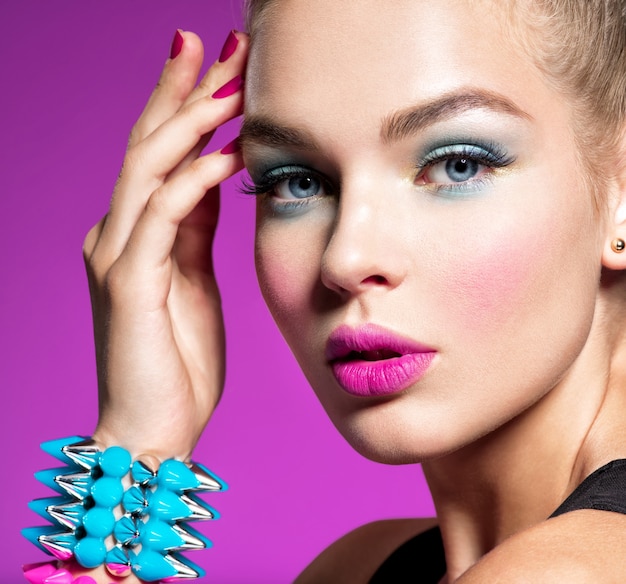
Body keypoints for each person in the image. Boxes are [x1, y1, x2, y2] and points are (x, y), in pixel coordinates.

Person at [23, 0, 626, 582]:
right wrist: (140, 447)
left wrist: (130, 460)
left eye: (455, 164)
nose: (344, 258)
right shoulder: (358, 565)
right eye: (297, 180)